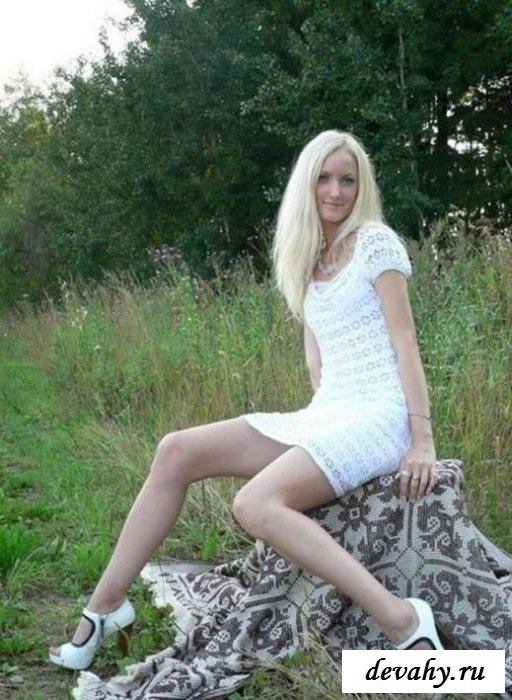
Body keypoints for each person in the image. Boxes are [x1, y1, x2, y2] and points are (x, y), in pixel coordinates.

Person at [49, 129, 442, 671]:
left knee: (254, 503)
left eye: (348, 180)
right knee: (176, 450)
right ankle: (106, 605)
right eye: (324, 179)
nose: (335, 191)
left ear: (362, 187)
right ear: (306, 185)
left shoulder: (376, 243)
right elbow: (319, 363)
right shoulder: (308, 259)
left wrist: (422, 439)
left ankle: (402, 619)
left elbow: (405, 342)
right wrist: (316, 429)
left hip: (379, 415)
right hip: (330, 412)